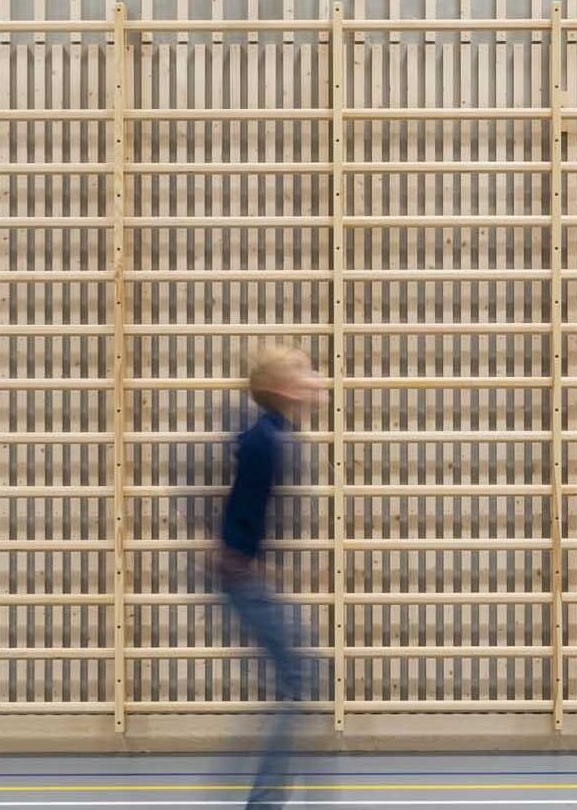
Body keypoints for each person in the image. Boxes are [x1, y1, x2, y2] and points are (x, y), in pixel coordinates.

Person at [215, 343, 326, 809]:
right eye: (305, 373)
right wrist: (236, 555)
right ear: (283, 389)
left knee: (298, 678)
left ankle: (266, 795)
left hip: (243, 573)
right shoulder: (269, 440)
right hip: (239, 576)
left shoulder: (273, 434)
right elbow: (242, 505)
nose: (317, 379)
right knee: (298, 678)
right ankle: (264, 800)